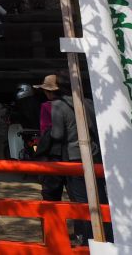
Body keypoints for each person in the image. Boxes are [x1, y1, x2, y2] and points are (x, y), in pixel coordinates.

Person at [36, 73, 101, 241]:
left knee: (79, 200)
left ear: (51, 92)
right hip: (94, 155)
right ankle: (98, 234)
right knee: (97, 196)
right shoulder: (88, 102)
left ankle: (86, 238)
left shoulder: (57, 105)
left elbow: (57, 134)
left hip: (74, 156)